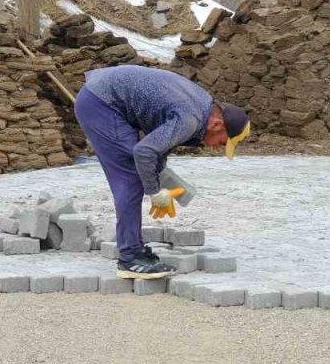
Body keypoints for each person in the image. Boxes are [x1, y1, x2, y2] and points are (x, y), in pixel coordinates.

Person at [74, 65, 251, 279]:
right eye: (222, 142)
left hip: (103, 94)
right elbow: (144, 152)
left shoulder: (203, 105)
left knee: (137, 170)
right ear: (216, 124)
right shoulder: (190, 119)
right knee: (130, 176)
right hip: (100, 103)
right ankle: (130, 258)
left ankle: (134, 248)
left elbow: (159, 142)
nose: (216, 148)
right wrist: (155, 192)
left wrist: (161, 177)